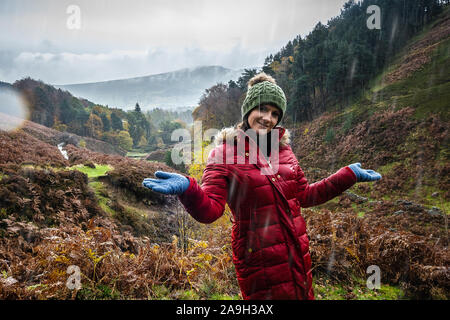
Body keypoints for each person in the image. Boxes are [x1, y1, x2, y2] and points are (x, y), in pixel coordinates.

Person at [142, 73, 381, 300]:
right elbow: (210, 211)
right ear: (248, 110)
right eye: (262, 108)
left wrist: (347, 175)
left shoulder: (284, 151)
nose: (268, 118)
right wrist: (189, 188)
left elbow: (305, 195)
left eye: (275, 113)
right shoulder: (224, 154)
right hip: (260, 265)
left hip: (297, 258)